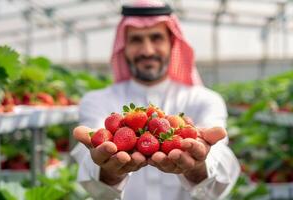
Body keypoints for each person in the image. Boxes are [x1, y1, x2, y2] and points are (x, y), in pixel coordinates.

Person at [71, 0, 240, 199]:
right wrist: (108, 171)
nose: (147, 50)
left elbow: (220, 165)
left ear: (172, 42)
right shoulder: (96, 101)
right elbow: (91, 170)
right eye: (136, 40)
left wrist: (198, 167)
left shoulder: (205, 99)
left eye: (156, 37)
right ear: (123, 46)